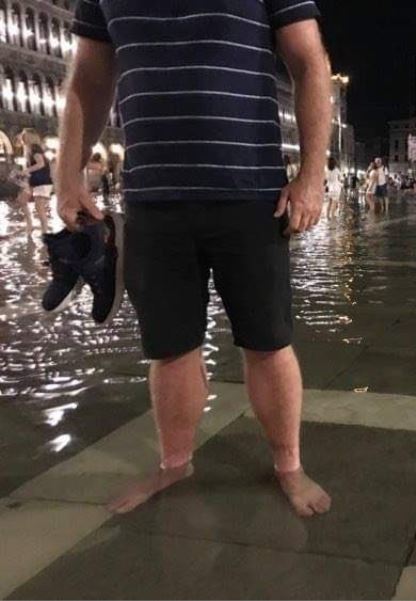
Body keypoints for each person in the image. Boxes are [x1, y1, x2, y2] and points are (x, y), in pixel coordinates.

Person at [60, 0, 332, 517]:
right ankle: (174, 462)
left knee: (268, 340)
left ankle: (288, 465)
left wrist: (311, 176)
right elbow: (88, 81)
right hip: (153, 198)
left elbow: (310, 63)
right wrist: (66, 176)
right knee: (169, 347)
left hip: (251, 193)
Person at [19, 130, 53, 235]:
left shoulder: (34, 148)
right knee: (21, 200)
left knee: (39, 209)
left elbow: (41, 164)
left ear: (30, 138)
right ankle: (30, 224)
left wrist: (26, 171)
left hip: (42, 182)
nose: (22, 139)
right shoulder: (30, 150)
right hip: (35, 182)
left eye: (24, 137)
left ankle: (45, 233)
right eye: (22, 137)